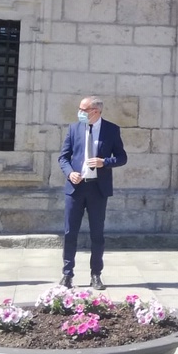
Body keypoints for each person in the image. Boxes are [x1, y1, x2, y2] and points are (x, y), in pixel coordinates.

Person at [58, 96, 128, 289]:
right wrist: (70, 173)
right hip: (76, 188)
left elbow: (122, 157)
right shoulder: (74, 129)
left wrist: (104, 162)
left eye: (84, 109)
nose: (80, 112)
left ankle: (96, 274)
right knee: (70, 232)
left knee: (97, 234)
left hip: (98, 189)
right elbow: (63, 157)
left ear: (95, 111)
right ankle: (67, 274)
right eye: (79, 109)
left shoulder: (111, 130)